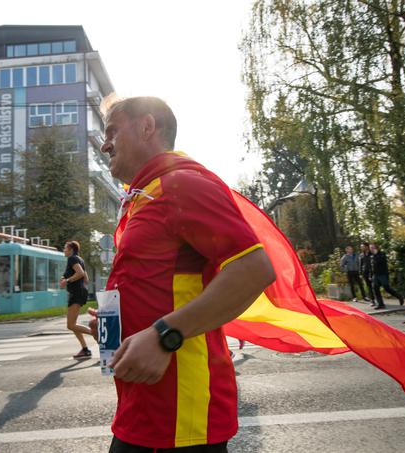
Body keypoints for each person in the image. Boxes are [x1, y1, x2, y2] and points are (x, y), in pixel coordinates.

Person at [95, 95, 275, 452]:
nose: (104, 144)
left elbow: (255, 269)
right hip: (144, 405)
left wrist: (166, 335)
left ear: (147, 127)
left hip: (180, 416)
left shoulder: (181, 185)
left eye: (113, 131)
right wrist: (113, 322)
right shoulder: (145, 197)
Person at [60, 240, 92, 359]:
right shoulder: (80, 259)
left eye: (65, 248)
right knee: (73, 325)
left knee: (70, 325)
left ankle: (97, 334)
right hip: (79, 292)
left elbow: (80, 273)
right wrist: (65, 277)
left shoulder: (72, 259)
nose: (64, 250)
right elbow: (86, 278)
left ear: (71, 249)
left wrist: (67, 281)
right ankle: (85, 349)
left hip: (77, 293)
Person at [369, 243, 404, 310]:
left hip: (383, 275)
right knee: (375, 289)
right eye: (370, 248)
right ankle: (381, 304)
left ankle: (399, 296)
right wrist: (370, 275)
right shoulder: (371, 256)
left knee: (387, 288)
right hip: (375, 276)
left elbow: (379, 262)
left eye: (373, 247)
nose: (371, 249)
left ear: (377, 248)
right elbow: (371, 267)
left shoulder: (382, 254)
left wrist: (376, 255)